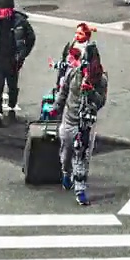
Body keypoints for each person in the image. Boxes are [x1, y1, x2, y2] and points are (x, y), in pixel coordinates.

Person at [50, 43, 107, 206]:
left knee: (82, 155)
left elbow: (101, 101)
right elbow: (64, 91)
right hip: (69, 117)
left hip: (86, 122)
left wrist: (91, 92)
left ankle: (80, 189)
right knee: (67, 151)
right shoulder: (73, 72)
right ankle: (66, 172)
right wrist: (56, 107)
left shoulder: (101, 79)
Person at [0, 0, 35, 127]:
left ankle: (11, 104)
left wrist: (22, 54)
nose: (0, 12)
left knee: (12, 86)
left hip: (13, 61)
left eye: (2, 9)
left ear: (10, 10)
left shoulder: (20, 22)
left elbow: (31, 38)